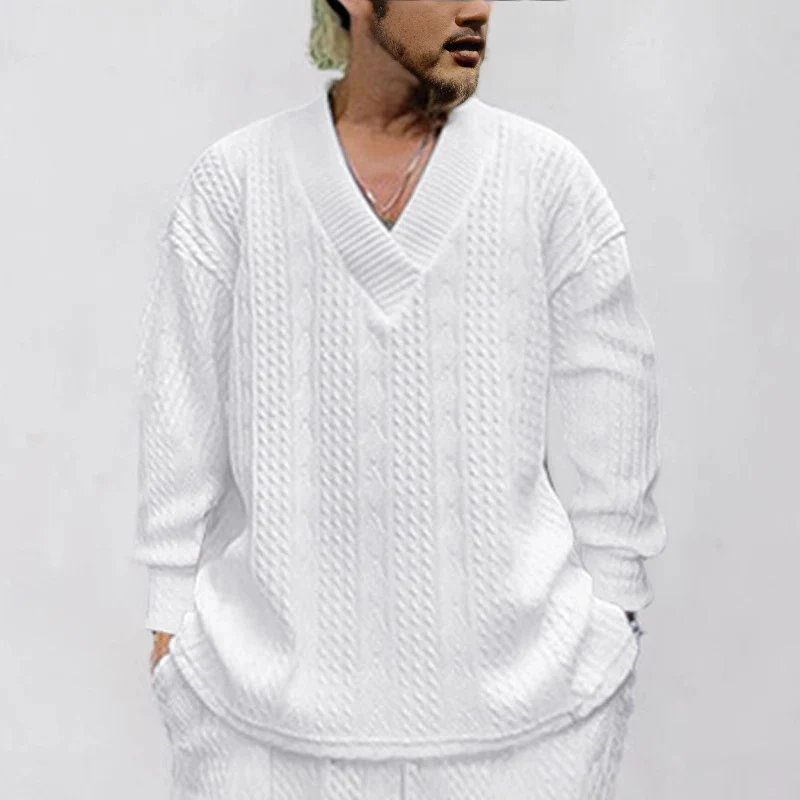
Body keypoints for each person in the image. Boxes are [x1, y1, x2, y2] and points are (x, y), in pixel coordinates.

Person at [133, 1, 665, 797]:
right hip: (266, 730)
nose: (477, 9)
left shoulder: (547, 178)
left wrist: (613, 614)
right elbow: (181, 404)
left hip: (526, 733)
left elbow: (612, 394)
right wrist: (170, 622)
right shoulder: (236, 182)